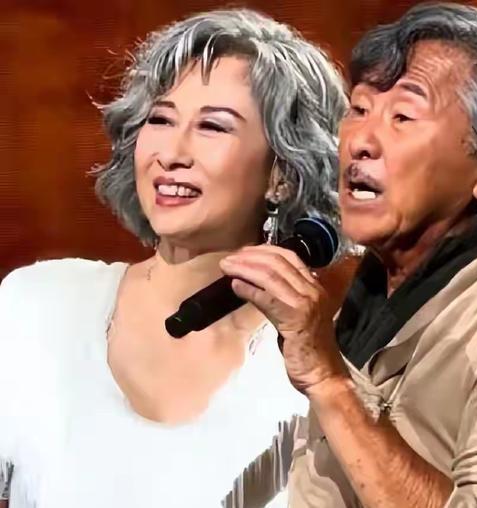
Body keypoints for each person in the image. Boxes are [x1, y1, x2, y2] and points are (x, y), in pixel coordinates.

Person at [219, 3, 477, 507]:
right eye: (359, 109)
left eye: (403, 116)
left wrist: (329, 380)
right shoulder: (369, 298)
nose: (360, 141)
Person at [0, 8, 347, 508]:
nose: (172, 153)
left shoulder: (316, 367)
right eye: (160, 119)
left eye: (213, 127)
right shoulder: (40, 304)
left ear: (283, 176)